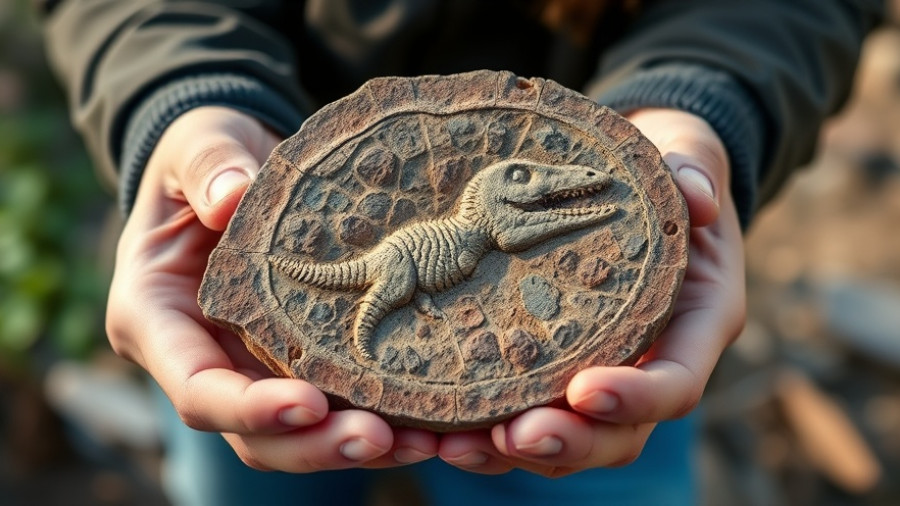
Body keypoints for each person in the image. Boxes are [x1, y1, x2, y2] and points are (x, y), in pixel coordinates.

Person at [41, 1, 882, 504]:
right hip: (264, 321)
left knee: (602, 455)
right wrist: (181, 93)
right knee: (270, 431)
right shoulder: (494, 221)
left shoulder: (503, 215)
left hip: (608, 373)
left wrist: (702, 98)